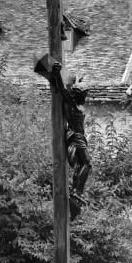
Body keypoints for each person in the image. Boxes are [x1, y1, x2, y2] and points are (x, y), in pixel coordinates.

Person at [51, 62, 91, 201]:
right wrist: (56, 74)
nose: (86, 97)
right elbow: (62, 91)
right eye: (84, 94)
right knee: (87, 164)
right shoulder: (73, 105)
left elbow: (67, 90)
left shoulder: (77, 105)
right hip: (77, 137)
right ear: (79, 95)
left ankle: (75, 190)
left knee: (80, 165)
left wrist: (79, 81)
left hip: (80, 137)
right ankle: (77, 191)